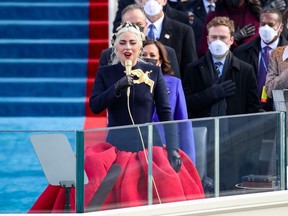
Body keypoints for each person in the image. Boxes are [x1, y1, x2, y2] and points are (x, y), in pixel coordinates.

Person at [29, 22, 204, 213]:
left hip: (148, 147)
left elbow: (165, 113)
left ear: (140, 45)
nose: (127, 47)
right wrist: (117, 88)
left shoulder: (153, 72)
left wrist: (172, 148)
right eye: (122, 43)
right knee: (94, 188)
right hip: (115, 148)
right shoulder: (106, 73)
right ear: (115, 46)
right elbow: (95, 105)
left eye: (132, 42)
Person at [183, 16, 260, 191]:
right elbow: (186, 105)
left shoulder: (246, 70)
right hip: (202, 141)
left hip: (236, 143)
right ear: (207, 39)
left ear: (232, 40)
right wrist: (210, 94)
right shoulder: (192, 69)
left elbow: (252, 110)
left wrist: (249, 145)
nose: (218, 41)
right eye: (214, 37)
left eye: (223, 37)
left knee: (231, 190)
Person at [142, 39, 196, 163]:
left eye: (152, 55)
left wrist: (189, 160)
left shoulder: (174, 84)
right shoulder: (130, 83)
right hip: (140, 148)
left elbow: (184, 122)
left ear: (160, 61)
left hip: (167, 148)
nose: (147, 58)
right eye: (143, 55)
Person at [100, 4, 181, 78]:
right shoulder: (108, 55)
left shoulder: (166, 52)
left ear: (146, 25)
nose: (135, 29)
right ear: (122, 26)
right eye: (130, 25)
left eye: (139, 25)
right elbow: (100, 90)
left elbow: (174, 86)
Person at [233, 8, 288, 111]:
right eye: (263, 24)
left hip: (280, 112)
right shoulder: (241, 52)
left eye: (271, 25)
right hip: (249, 113)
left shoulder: (286, 53)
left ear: (280, 28)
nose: (266, 28)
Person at [140, 0, 198, 79]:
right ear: (141, 1)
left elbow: (190, 69)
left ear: (164, 1)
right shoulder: (133, 30)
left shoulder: (183, 31)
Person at [197, 0, 262, 57]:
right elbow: (203, 51)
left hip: (248, 66)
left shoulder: (255, 15)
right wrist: (232, 39)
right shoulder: (213, 16)